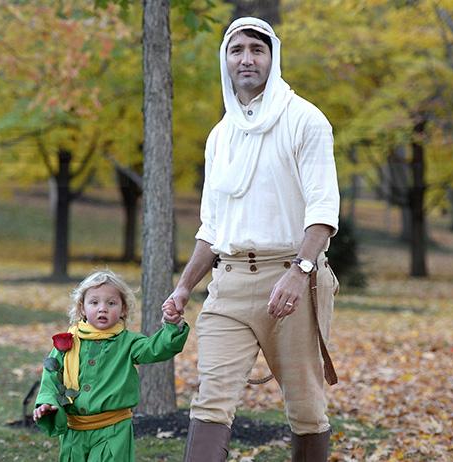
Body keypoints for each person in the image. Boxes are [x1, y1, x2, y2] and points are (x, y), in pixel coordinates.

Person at [162, 16, 340, 462]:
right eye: (237, 50)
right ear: (225, 59)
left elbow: (322, 212)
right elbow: (213, 227)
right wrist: (184, 288)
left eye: (257, 50)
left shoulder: (306, 120)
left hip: (293, 280)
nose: (246, 59)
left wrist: (299, 274)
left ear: (272, 57)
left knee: (305, 408)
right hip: (230, 285)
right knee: (211, 400)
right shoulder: (221, 136)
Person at [33, 270, 188, 461]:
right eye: (94, 302)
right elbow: (51, 378)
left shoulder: (129, 343)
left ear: (123, 309)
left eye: (111, 303)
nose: (102, 309)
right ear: (82, 308)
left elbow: (156, 348)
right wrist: (47, 404)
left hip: (113, 431)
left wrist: (173, 326)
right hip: (75, 432)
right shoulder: (66, 344)